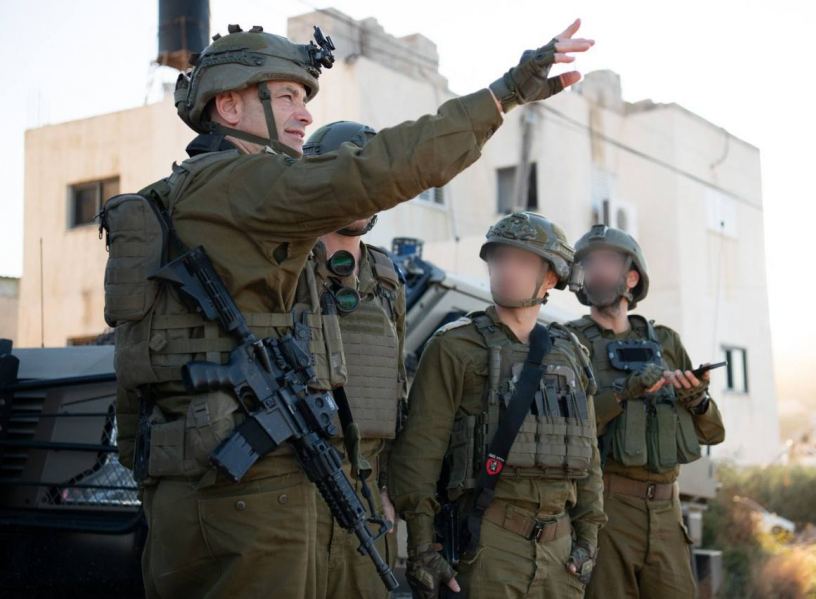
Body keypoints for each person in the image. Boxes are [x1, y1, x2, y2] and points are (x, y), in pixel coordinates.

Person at [104, 19, 595, 599]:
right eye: (287, 96)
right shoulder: (245, 184)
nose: (304, 114)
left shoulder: (172, 196)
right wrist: (503, 94)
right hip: (249, 494)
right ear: (229, 106)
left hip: (186, 485)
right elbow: (375, 170)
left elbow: (138, 366)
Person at [390, 212, 606, 599]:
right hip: (488, 545)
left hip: (561, 554)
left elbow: (588, 458)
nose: (506, 271)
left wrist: (588, 541)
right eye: (499, 259)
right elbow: (419, 454)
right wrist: (422, 547)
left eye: (521, 262)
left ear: (551, 277)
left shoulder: (571, 353)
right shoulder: (454, 346)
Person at [565, 224, 726, 599]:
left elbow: (714, 432)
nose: (596, 270)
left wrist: (696, 398)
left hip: (668, 509)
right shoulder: (568, 342)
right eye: (588, 264)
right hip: (606, 509)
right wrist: (624, 393)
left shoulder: (665, 341)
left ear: (632, 277)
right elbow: (568, 426)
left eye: (607, 262)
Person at [299, 121, 407, 599]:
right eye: (351, 178)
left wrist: (386, 490)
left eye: (373, 181)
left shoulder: (386, 277)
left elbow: (396, 386)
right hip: (295, 485)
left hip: (365, 492)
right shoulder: (285, 267)